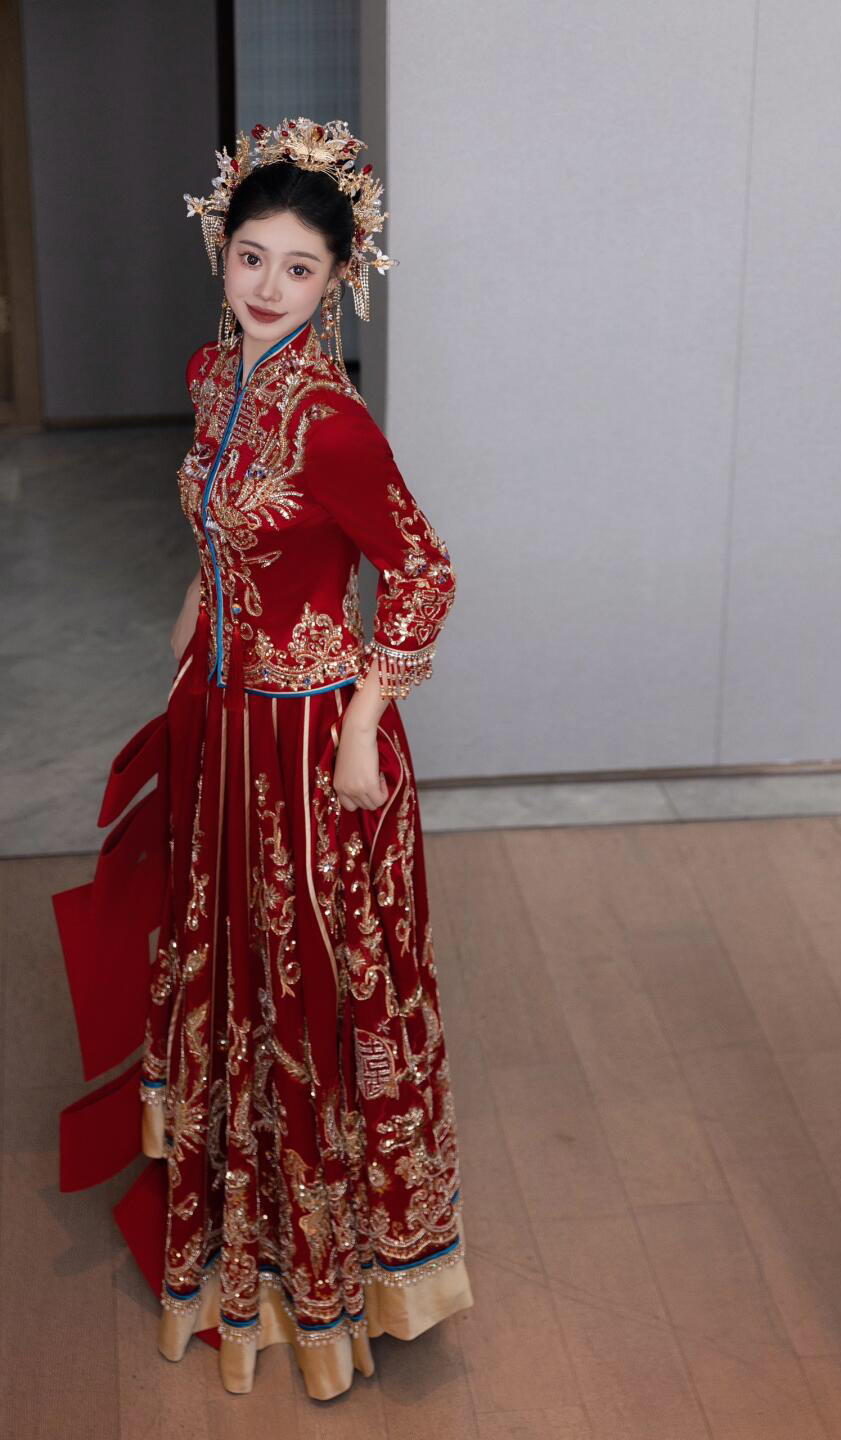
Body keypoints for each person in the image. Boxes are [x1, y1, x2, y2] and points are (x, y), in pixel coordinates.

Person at [52, 117, 473, 1402]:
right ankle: (247, 1241)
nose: (269, 286)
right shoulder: (213, 374)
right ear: (220, 252)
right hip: (226, 723)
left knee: (308, 995)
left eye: (299, 268)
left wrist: (361, 723)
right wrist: (204, 595)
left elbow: (422, 573)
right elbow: (228, 514)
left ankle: (334, 1283)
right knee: (232, 970)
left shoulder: (332, 423)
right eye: (251, 257)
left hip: (306, 743)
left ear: (338, 280)